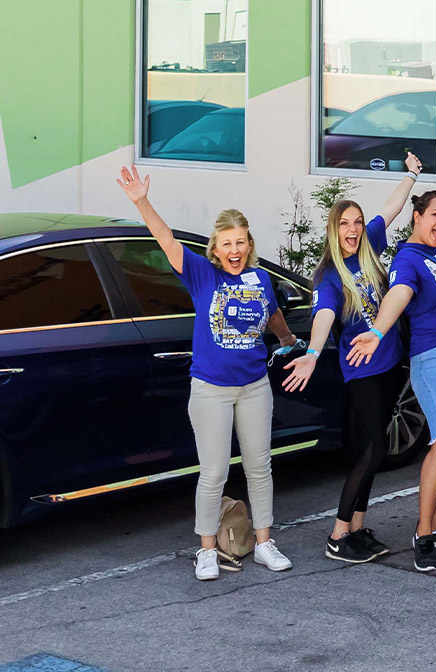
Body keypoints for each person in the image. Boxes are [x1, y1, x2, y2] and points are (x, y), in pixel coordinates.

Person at [118, 167, 298, 581]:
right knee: (214, 472)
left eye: (240, 243)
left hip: (254, 387)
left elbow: (271, 315)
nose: (234, 250)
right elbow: (166, 240)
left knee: (259, 467)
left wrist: (289, 340)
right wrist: (141, 201)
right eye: (226, 244)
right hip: (211, 389)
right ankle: (207, 549)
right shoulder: (202, 274)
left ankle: (265, 542)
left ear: (249, 245)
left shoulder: (261, 278)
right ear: (215, 249)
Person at [281, 152, 424, 564]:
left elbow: (391, 211)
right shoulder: (330, 274)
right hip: (362, 370)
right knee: (375, 450)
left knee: (368, 447)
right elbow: (324, 313)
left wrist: (412, 175)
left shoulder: (368, 248)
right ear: (333, 229)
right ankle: (339, 532)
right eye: (345, 223)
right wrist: (311, 352)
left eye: (357, 222)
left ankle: (358, 529)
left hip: (389, 364)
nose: (354, 229)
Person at [346, 183, 436, 572]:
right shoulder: (407, 258)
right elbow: (400, 292)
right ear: (416, 217)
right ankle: (423, 532)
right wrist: (377, 331)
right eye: (434, 216)